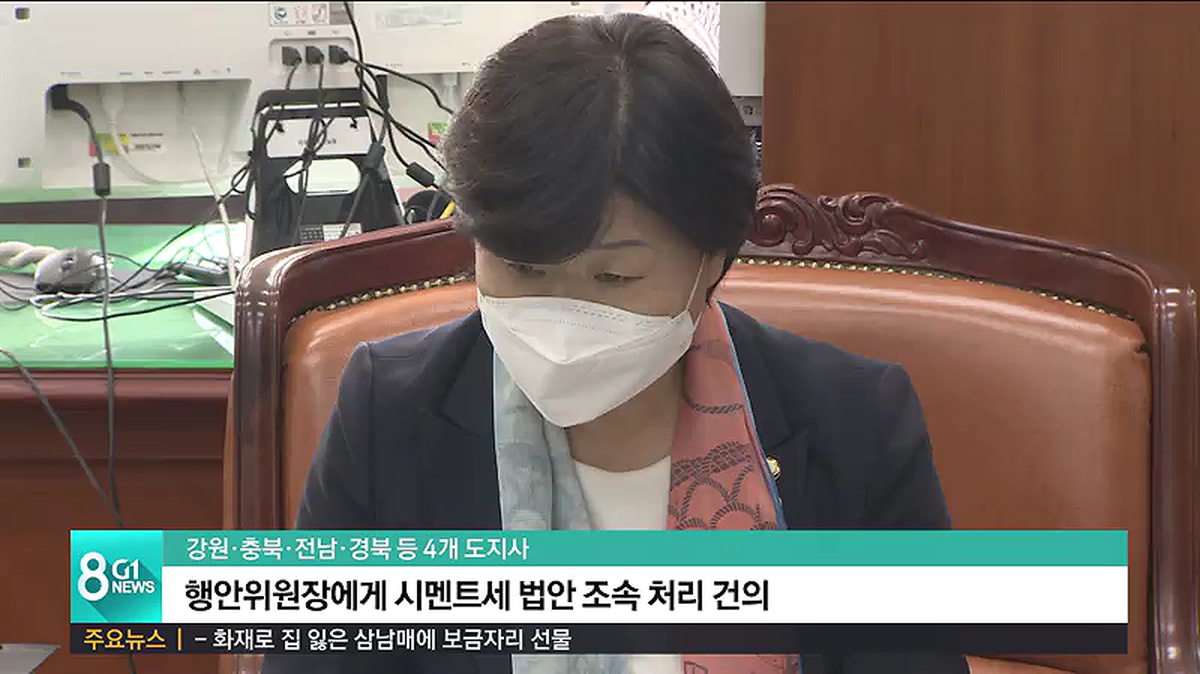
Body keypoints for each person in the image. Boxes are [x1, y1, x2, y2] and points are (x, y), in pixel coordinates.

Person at [263, 11, 968, 674]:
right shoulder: (389, 415)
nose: (563, 319)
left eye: (614, 276)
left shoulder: (857, 424)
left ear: (713, 260)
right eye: (523, 268)